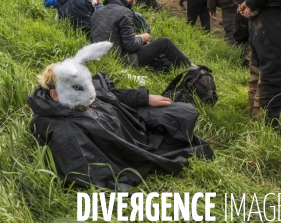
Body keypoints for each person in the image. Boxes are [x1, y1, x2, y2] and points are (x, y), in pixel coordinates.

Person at [27, 42, 213, 190]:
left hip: (133, 122)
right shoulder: (65, 130)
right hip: (134, 142)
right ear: (55, 95)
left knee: (183, 112)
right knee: (186, 143)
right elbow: (87, 170)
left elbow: (111, 93)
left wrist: (145, 98)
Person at [91, 0, 193, 69]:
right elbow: (130, 46)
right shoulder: (125, 12)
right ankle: (190, 66)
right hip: (122, 59)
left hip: (102, 57)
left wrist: (137, 37)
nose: (135, 2)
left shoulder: (98, 11)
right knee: (164, 42)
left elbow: (114, 35)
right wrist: (142, 38)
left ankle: (177, 65)